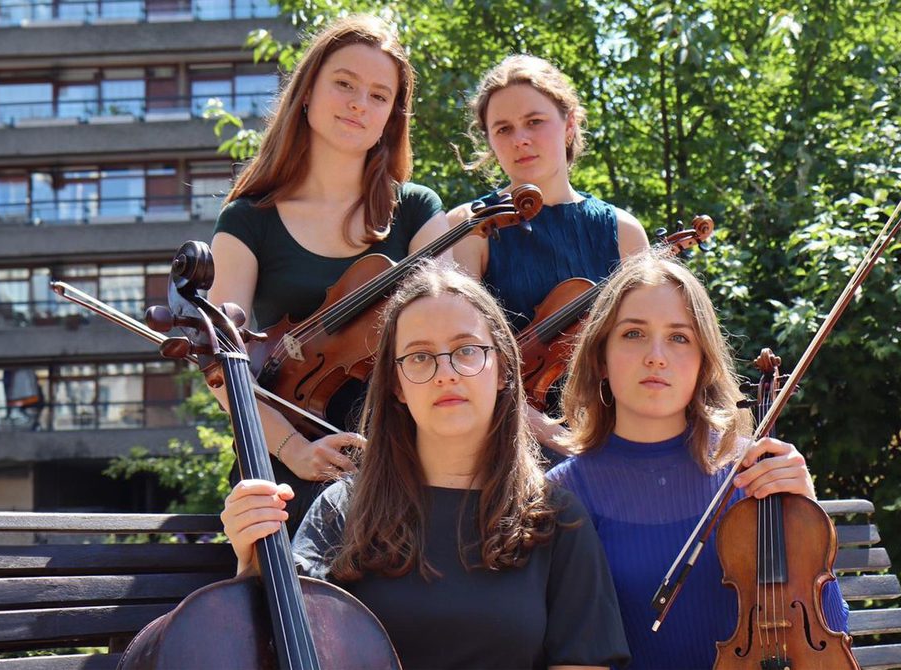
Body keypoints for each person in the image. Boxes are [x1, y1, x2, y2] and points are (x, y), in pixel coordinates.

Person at [221, 262, 630, 670]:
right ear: (396, 385)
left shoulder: (557, 519)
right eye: (419, 357)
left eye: (467, 350)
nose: (445, 373)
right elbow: (280, 648)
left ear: (504, 368)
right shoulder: (342, 509)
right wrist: (251, 563)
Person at [547, 249, 851, 669]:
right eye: (633, 334)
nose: (657, 355)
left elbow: (828, 637)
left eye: (679, 337)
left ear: (702, 362)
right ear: (600, 357)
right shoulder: (565, 494)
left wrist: (803, 511)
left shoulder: (751, 473)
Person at [207, 15, 450, 528]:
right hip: (283, 468)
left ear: (391, 117)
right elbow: (220, 366)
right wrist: (295, 450)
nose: (360, 103)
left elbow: (450, 326)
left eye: (380, 95)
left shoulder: (417, 211)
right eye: (344, 84)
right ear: (308, 92)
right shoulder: (249, 219)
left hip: (402, 460)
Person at [447, 55, 650, 451]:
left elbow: (647, 348)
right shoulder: (473, 227)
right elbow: (462, 358)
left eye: (534, 122)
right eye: (503, 129)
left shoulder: (624, 231)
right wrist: (554, 436)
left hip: (614, 437)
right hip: (504, 442)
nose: (520, 139)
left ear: (569, 123)